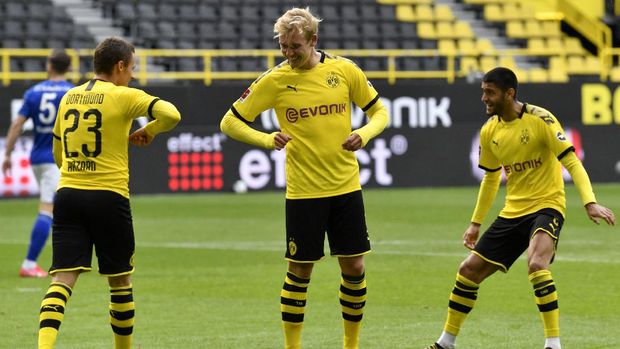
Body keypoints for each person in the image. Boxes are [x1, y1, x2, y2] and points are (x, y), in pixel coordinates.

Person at [220, 7, 389, 349]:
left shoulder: (343, 70)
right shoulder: (276, 79)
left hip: (345, 188)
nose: (288, 53)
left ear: (314, 40)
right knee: (300, 272)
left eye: (294, 46)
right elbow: (230, 122)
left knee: (354, 268)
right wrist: (266, 140)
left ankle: (351, 345)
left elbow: (379, 111)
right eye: (283, 45)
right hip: (303, 193)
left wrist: (365, 133)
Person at [425, 67, 616, 349]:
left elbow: (571, 161)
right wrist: (475, 223)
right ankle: (446, 343)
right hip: (513, 211)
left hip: (547, 206)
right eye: (483, 91)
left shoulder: (542, 119)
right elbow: (491, 178)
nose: (484, 98)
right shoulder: (490, 130)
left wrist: (589, 202)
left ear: (509, 93)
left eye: (490, 92)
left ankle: (553, 344)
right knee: (468, 271)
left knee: (537, 264)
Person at [37, 37, 181, 349]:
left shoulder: (69, 97)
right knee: (120, 281)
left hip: (68, 194)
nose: (132, 74)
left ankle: (43, 347)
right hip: (109, 196)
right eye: (131, 68)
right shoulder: (124, 95)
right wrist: (149, 130)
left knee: (61, 280)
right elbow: (171, 114)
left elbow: (59, 156)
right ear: (119, 66)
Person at [2, 49, 73, 278]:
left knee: (64, 208)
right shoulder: (72, 93)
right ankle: (30, 263)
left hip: (37, 158)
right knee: (48, 210)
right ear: (69, 68)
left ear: (50, 65)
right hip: (58, 159)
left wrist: (8, 154)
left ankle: (71, 258)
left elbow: (16, 125)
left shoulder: (33, 92)